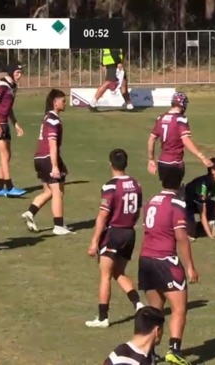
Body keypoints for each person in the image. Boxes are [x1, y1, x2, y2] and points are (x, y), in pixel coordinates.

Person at [138, 170, 199, 365]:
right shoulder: (176, 204)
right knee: (179, 308)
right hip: (165, 260)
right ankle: (174, 350)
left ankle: (150, 353)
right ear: (180, 184)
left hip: (146, 259)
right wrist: (190, 266)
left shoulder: (151, 201)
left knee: (156, 310)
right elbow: (181, 236)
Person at [86, 148, 145, 328]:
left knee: (105, 274)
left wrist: (94, 241)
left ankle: (103, 318)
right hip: (130, 232)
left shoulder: (110, 186)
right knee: (118, 272)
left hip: (114, 233)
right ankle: (138, 304)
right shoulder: (136, 184)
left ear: (110, 163)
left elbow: (103, 215)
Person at [20, 89, 73, 236]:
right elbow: (52, 143)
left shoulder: (47, 118)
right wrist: (55, 166)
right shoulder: (53, 120)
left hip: (40, 158)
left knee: (49, 191)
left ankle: (30, 213)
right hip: (47, 158)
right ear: (55, 103)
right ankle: (58, 225)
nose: (65, 102)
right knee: (58, 192)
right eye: (63, 100)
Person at [147, 92, 212, 193]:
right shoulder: (181, 119)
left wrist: (151, 159)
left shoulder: (161, 118)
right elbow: (186, 140)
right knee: (176, 192)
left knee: (166, 190)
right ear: (183, 105)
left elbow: (151, 139)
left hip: (162, 162)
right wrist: (202, 157)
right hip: (175, 162)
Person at [0, 62, 26, 197]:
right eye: (17, 73)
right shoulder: (1, 84)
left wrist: (15, 123)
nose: (20, 76)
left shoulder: (13, 86)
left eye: (21, 73)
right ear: (10, 72)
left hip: (4, 123)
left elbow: (8, 107)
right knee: (4, 155)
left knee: (7, 155)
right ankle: (9, 187)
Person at [184, 157, 215, 240]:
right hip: (187, 205)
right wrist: (210, 235)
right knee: (192, 235)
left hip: (200, 203)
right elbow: (203, 213)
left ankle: (203, 226)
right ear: (212, 171)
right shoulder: (203, 186)